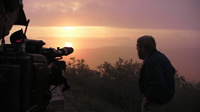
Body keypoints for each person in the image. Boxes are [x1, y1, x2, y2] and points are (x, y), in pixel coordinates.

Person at [136, 35, 175, 112]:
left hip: (155, 104)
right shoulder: (161, 57)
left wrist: (147, 99)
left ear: (143, 49)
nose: (137, 50)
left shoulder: (151, 62)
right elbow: (172, 71)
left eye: (137, 48)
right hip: (165, 102)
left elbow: (157, 83)